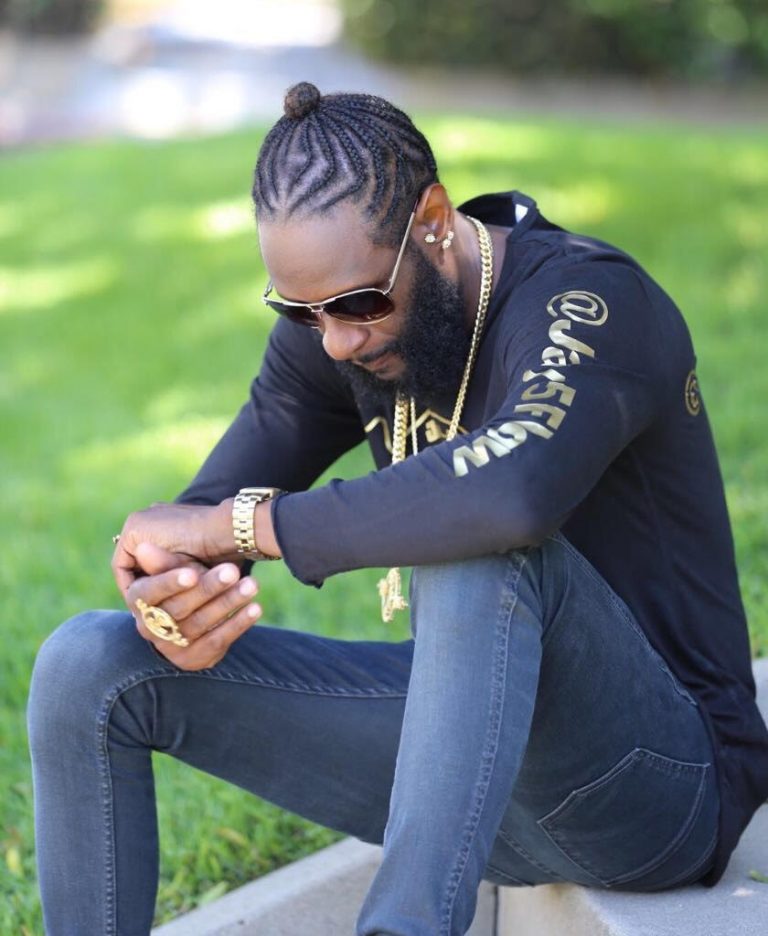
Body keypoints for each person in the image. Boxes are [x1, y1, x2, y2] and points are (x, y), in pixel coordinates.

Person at [28, 82, 768, 936]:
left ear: (434, 221)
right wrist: (173, 590)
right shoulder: (335, 330)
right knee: (89, 663)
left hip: (657, 787)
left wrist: (244, 529)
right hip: (468, 771)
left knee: (479, 544)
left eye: (359, 303)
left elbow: (511, 494)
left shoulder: (591, 302)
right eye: (300, 312)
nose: (337, 339)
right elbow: (202, 514)